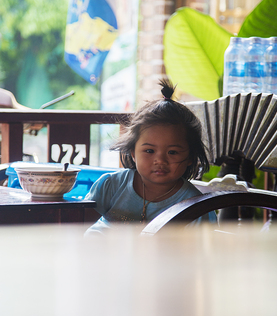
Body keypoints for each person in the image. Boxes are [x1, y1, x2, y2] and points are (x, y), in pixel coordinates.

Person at [85, 79, 217, 234]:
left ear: (190, 157)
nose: (160, 160)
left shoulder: (196, 207)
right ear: (133, 152)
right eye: (149, 151)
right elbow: (75, 227)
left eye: (172, 152)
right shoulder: (111, 186)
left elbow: (199, 254)